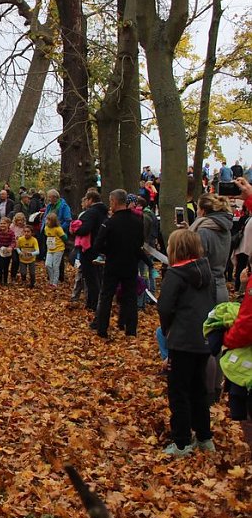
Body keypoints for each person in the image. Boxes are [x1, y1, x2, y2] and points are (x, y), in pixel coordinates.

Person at [158, 229, 216, 456]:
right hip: (203, 339)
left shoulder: (175, 274)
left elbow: (164, 306)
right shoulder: (207, 272)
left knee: (179, 391)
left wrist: (168, 331)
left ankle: (182, 441)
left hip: (182, 341)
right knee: (198, 389)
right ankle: (204, 436)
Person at [91, 189, 145, 338]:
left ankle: (102, 329)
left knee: (107, 296)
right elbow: (140, 242)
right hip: (131, 263)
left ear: (114, 202)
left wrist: (107, 251)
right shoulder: (137, 221)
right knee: (130, 297)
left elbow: (98, 244)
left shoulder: (110, 222)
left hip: (113, 264)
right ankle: (131, 330)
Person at [189, 193, 233, 303]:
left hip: (207, 291)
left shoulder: (203, 231)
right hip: (221, 286)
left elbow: (198, 262)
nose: (197, 211)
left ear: (203, 211)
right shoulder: (224, 228)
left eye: (198, 208)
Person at [73, 191, 108, 310]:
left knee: (90, 278)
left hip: (88, 249)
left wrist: (75, 230)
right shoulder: (104, 213)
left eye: (86, 200)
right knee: (97, 276)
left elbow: (84, 229)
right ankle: (94, 302)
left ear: (90, 200)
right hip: (101, 248)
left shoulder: (90, 213)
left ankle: (93, 304)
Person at [0, 217, 17, 285]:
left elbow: (13, 242)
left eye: (4, 223)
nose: (2, 225)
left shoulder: (11, 232)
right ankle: (0, 281)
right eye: (1, 223)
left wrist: (11, 247)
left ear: (8, 224)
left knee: (6, 266)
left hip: (7, 252)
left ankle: (5, 281)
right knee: (0, 266)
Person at [44, 212, 67, 287]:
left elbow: (65, 238)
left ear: (53, 221)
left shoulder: (58, 229)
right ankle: (51, 280)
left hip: (58, 249)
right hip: (50, 249)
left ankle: (54, 282)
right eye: (46, 219)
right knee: (47, 264)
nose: (47, 221)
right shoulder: (46, 228)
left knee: (55, 266)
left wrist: (61, 245)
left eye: (49, 220)